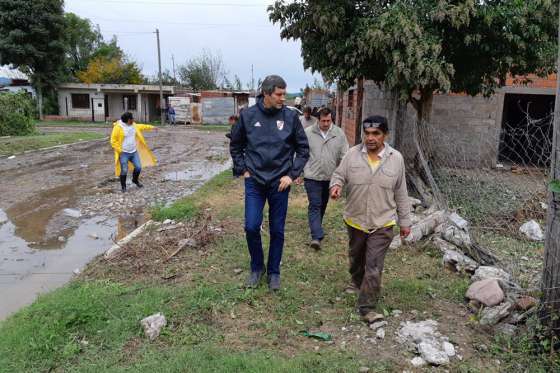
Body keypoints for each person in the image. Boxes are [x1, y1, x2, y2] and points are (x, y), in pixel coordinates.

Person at [230, 75, 309, 291]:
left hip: (280, 183)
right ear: (266, 94)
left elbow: (303, 149)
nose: (284, 98)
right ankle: (257, 268)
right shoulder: (247, 116)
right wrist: (243, 169)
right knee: (251, 226)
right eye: (279, 94)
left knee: (277, 230)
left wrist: (291, 175)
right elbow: (235, 146)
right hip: (255, 181)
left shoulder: (290, 118)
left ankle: (274, 272)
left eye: (285, 94)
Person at [330, 115, 412, 323]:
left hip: (382, 222)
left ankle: (367, 307)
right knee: (356, 258)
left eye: (376, 134)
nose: (370, 138)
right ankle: (356, 281)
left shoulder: (396, 158)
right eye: (367, 134)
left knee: (374, 265)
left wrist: (405, 222)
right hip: (355, 219)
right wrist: (336, 185)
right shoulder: (352, 155)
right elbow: (339, 174)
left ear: (385, 135)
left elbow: (401, 192)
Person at [300, 107, 348, 251]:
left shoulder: (339, 134)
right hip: (312, 175)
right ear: (318, 120)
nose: (326, 124)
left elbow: (345, 155)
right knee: (315, 204)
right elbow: (301, 152)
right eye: (323, 121)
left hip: (330, 176)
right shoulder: (308, 133)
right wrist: (298, 171)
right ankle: (316, 236)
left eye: (328, 120)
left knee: (323, 204)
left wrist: (342, 175)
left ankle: (317, 227)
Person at [110, 112, 157, 193]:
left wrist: (152, 127)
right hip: (123, 153)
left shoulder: (133, 125)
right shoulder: (118, 127)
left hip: (133, 152)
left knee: (138, 167)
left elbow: (142, 126)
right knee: (124, 170)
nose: (133, 120)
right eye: (131, 119)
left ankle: (135, 180)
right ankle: (123, 187)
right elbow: (113, 141)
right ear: (127, 120)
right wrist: (120, 151)